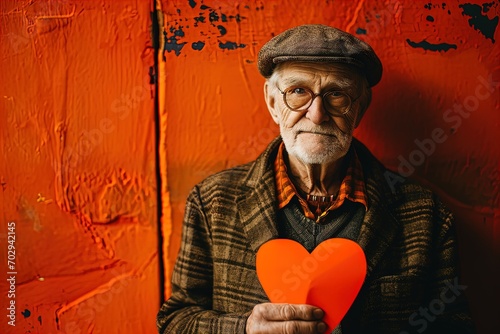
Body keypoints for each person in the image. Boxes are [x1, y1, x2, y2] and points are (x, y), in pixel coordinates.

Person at [156, 24, 474, 334]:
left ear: (361, 106)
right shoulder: (212, 201)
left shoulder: (425, 213)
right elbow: (175, 321)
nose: (317, 114)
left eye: (337, 95)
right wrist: (243, 328)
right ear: (272, 102)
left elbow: (453, 326)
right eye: (298, 92)